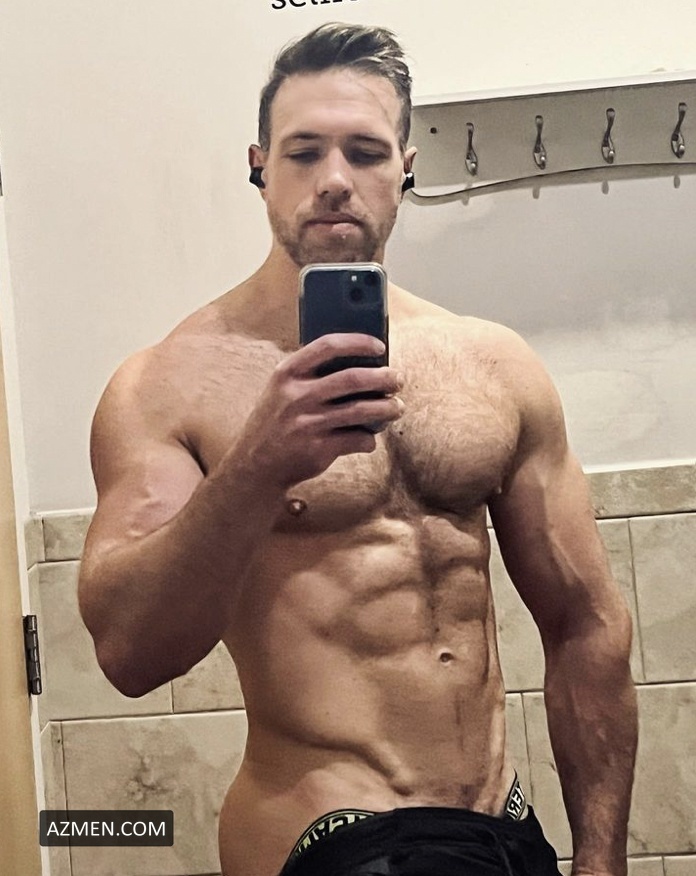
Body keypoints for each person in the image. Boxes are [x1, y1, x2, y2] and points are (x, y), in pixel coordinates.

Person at [78, 22, 638, 876]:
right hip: (322, 838)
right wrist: (259, 467)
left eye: (366, 152)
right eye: (304, 152)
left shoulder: (495, 365)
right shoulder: (165, 384)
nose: (335, 179)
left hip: (498, 831)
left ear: (405, 166)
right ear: (259, 166)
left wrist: (601, 861)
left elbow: (586, 624)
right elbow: (129, 653)